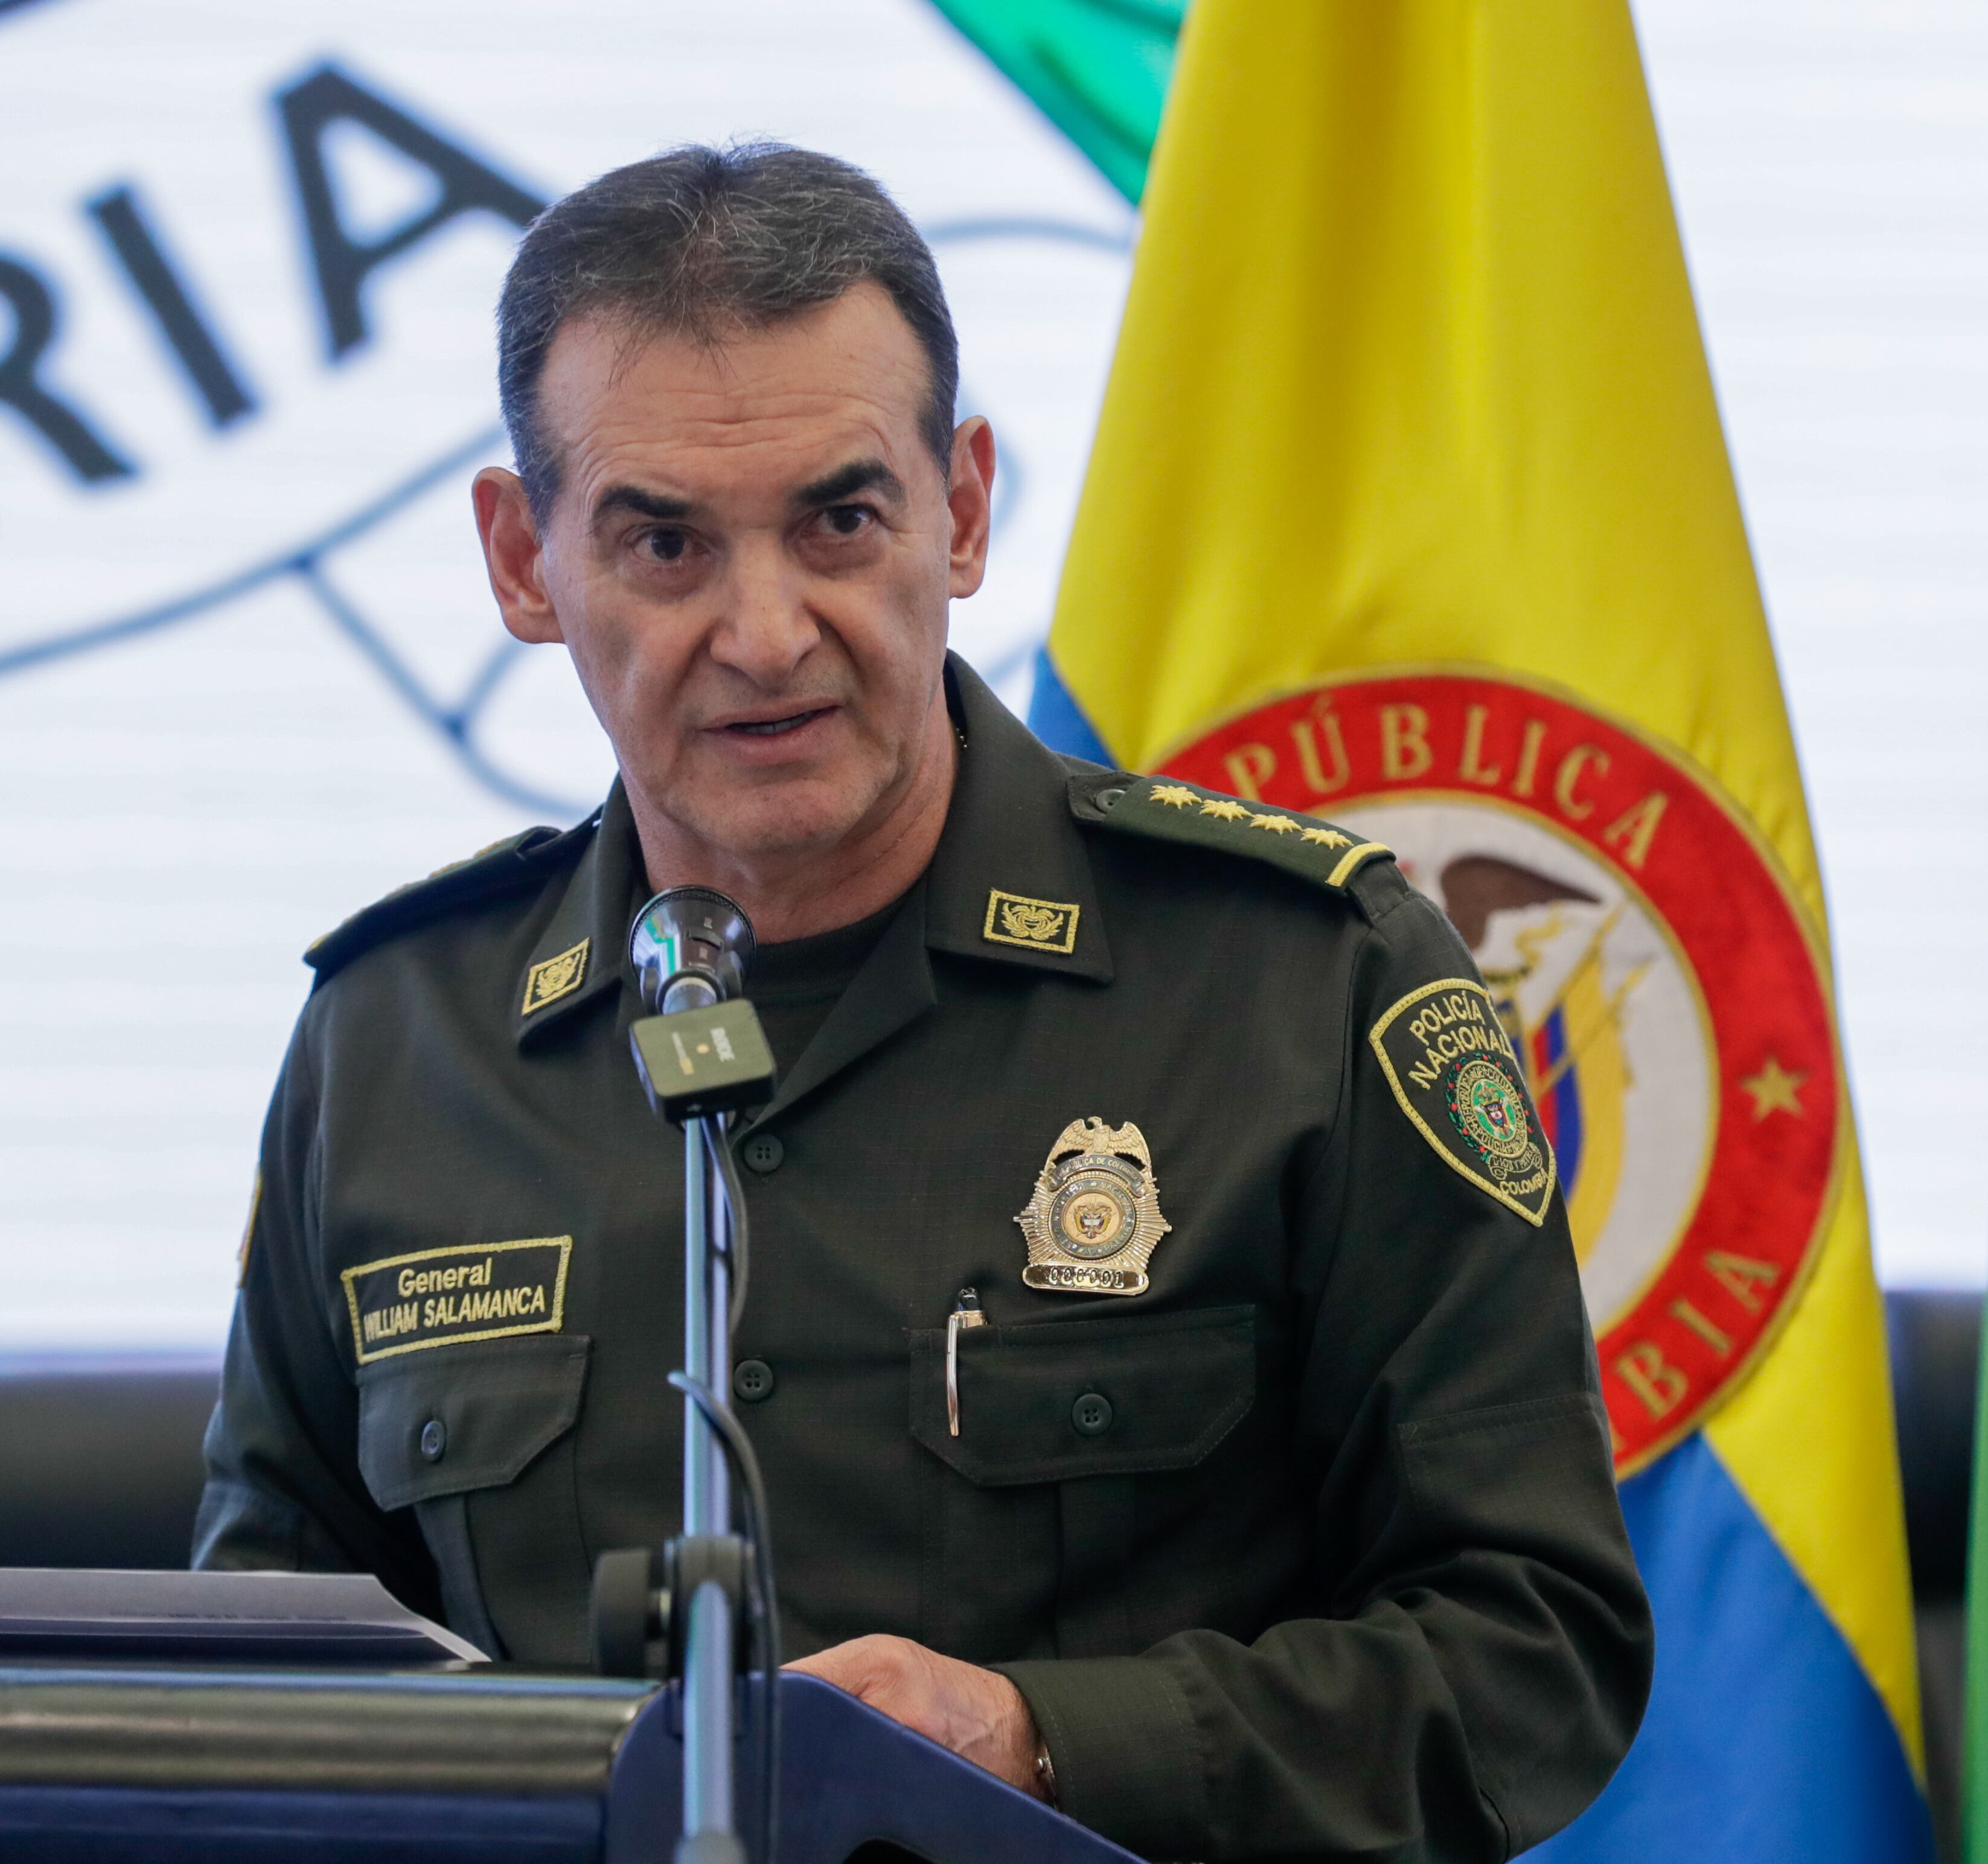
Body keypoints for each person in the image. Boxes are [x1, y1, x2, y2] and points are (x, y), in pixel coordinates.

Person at [191, 144, 1650, 1863]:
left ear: (959, 509)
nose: (767, 631)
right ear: (525, 563)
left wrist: (1045, 1742)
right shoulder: (395, 1039)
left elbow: (1535, 1654)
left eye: (840, 519)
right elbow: (261, 1693)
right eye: (663, 541)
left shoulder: (1305, 984)